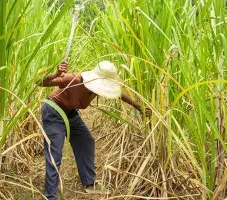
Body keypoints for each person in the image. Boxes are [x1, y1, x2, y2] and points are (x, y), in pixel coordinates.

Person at [37, 59, 148, 200]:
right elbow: (39, 82)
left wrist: (138, 106)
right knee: (55, 153)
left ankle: (89, 183)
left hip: (71, 113)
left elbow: (119, 94)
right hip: (53, 111)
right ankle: (50, 196)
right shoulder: (73, 79)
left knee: (86, 141)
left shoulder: (99, 88)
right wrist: (55, 74)